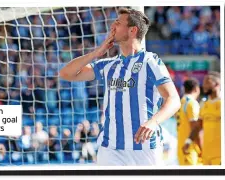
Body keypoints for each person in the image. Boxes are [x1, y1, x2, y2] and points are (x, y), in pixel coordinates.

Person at [59, 8, 180, 166]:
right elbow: (66, 73)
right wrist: (96, 53)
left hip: (144, 148)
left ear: (132, 30)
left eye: (118, 22)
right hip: (110, 148)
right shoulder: (108, 65)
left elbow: (173, 99)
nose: (112, 25)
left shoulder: (150, 61)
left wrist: (153, 122)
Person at [183, 72, 221, 165]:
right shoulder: (204, 104)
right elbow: (197, 126)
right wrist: (188, 141)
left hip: (221, 155)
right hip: (206, 155)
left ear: (216, 84)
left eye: (207, 82)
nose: (203, 85)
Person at [176, 78, 202, 165]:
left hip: (181, 146)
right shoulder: (192, 103)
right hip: (190, 148)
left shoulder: (180, 102)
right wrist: (201, 147)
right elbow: (195, 127)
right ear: (196, 89)